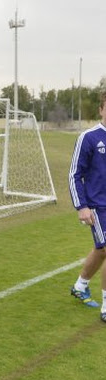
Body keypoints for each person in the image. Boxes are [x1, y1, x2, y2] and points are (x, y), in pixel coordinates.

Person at [68, 90, 106, 318]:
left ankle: (80, 286)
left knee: (101, 251)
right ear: (101, 109)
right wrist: (81, 206)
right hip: (98, 207)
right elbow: (74, 174)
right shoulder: (89, 137)